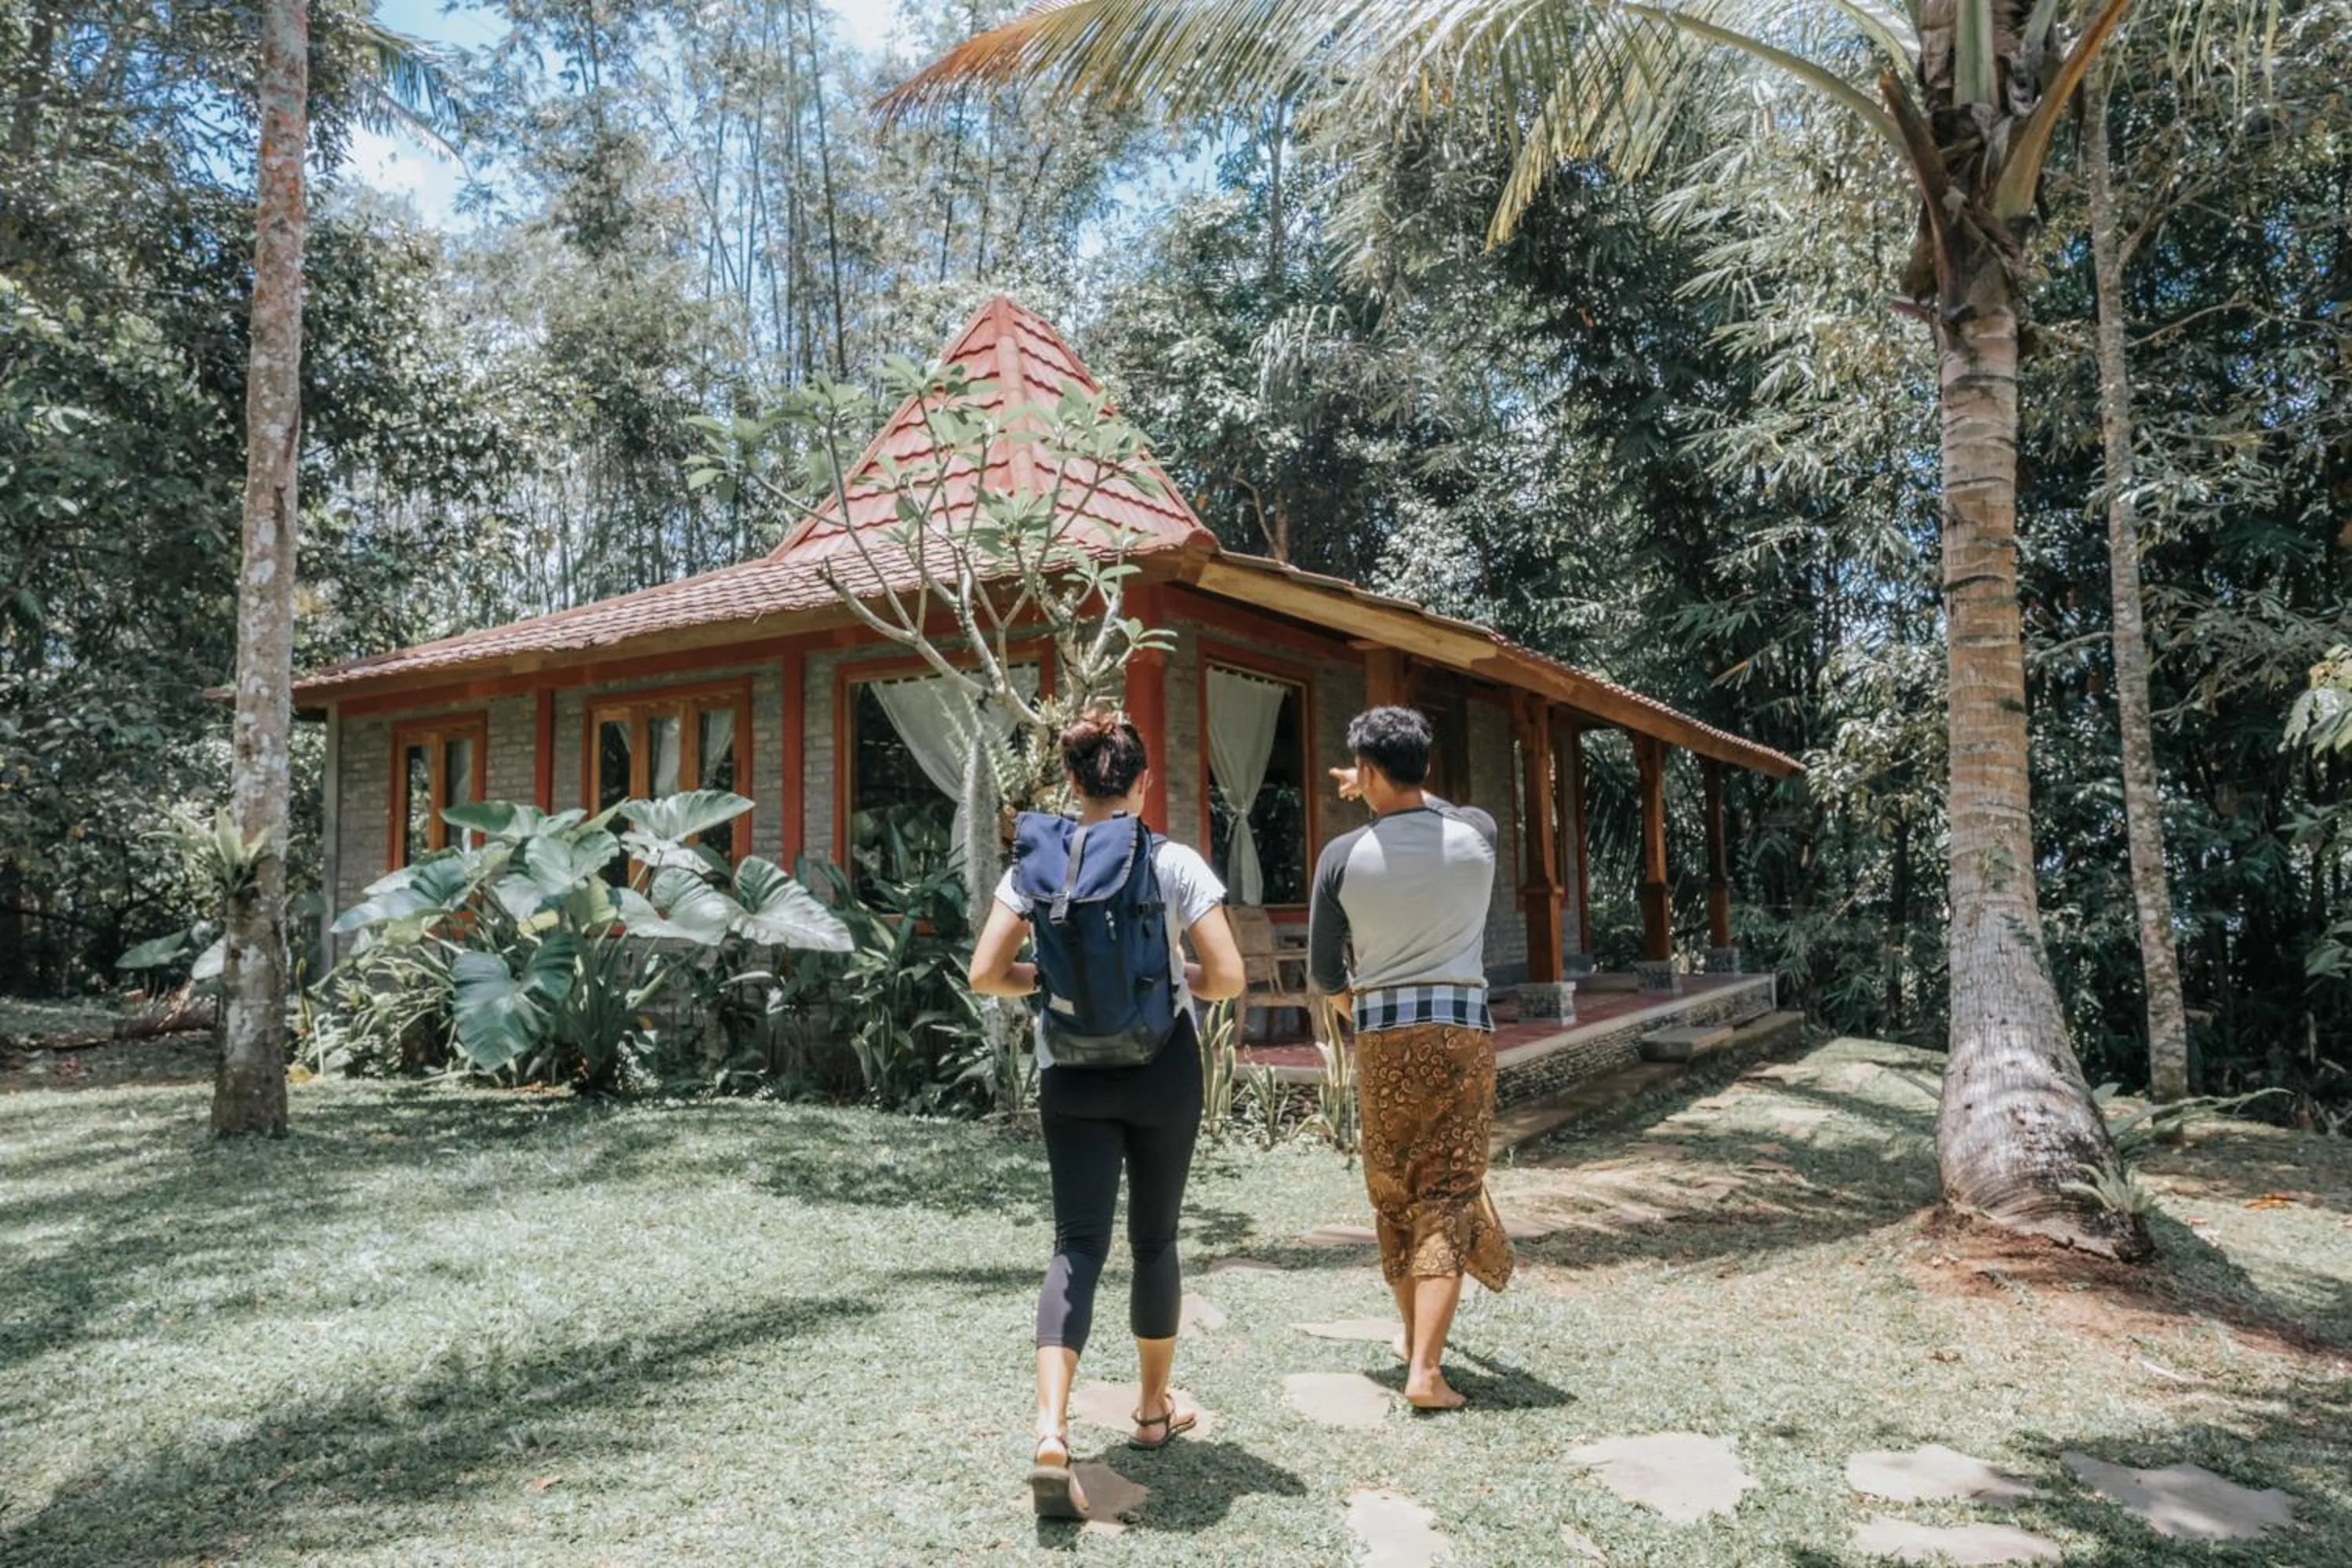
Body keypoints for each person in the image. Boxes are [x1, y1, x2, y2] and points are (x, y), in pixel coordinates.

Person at [968, 709, 1247, 1518]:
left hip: (1072, 1078)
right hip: (1163, 1070)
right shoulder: (1172, 859)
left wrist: (1046, 989)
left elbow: (988, 971)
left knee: (1076, 1244)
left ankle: (1052, 1430)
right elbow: (1226, 977)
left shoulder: (1037, 863)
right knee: (1154, 1238)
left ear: (1074, 784)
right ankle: (1153, 1413)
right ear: (1142, 783)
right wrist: (1164, 985)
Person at [1307, 704, 1515, 1411]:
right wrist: (1381, 781)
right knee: (1450, 1192)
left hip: (1383, 1039)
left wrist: (1358, 1013)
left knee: (1396, 1192)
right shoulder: (1477, 833)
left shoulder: (1340, 859)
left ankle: (1412, 1347)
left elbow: (1325, 974)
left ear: (1365, 771)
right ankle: (1424, 1369)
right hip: (1461, 1035)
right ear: (1425, 764)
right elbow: (1444, 809)